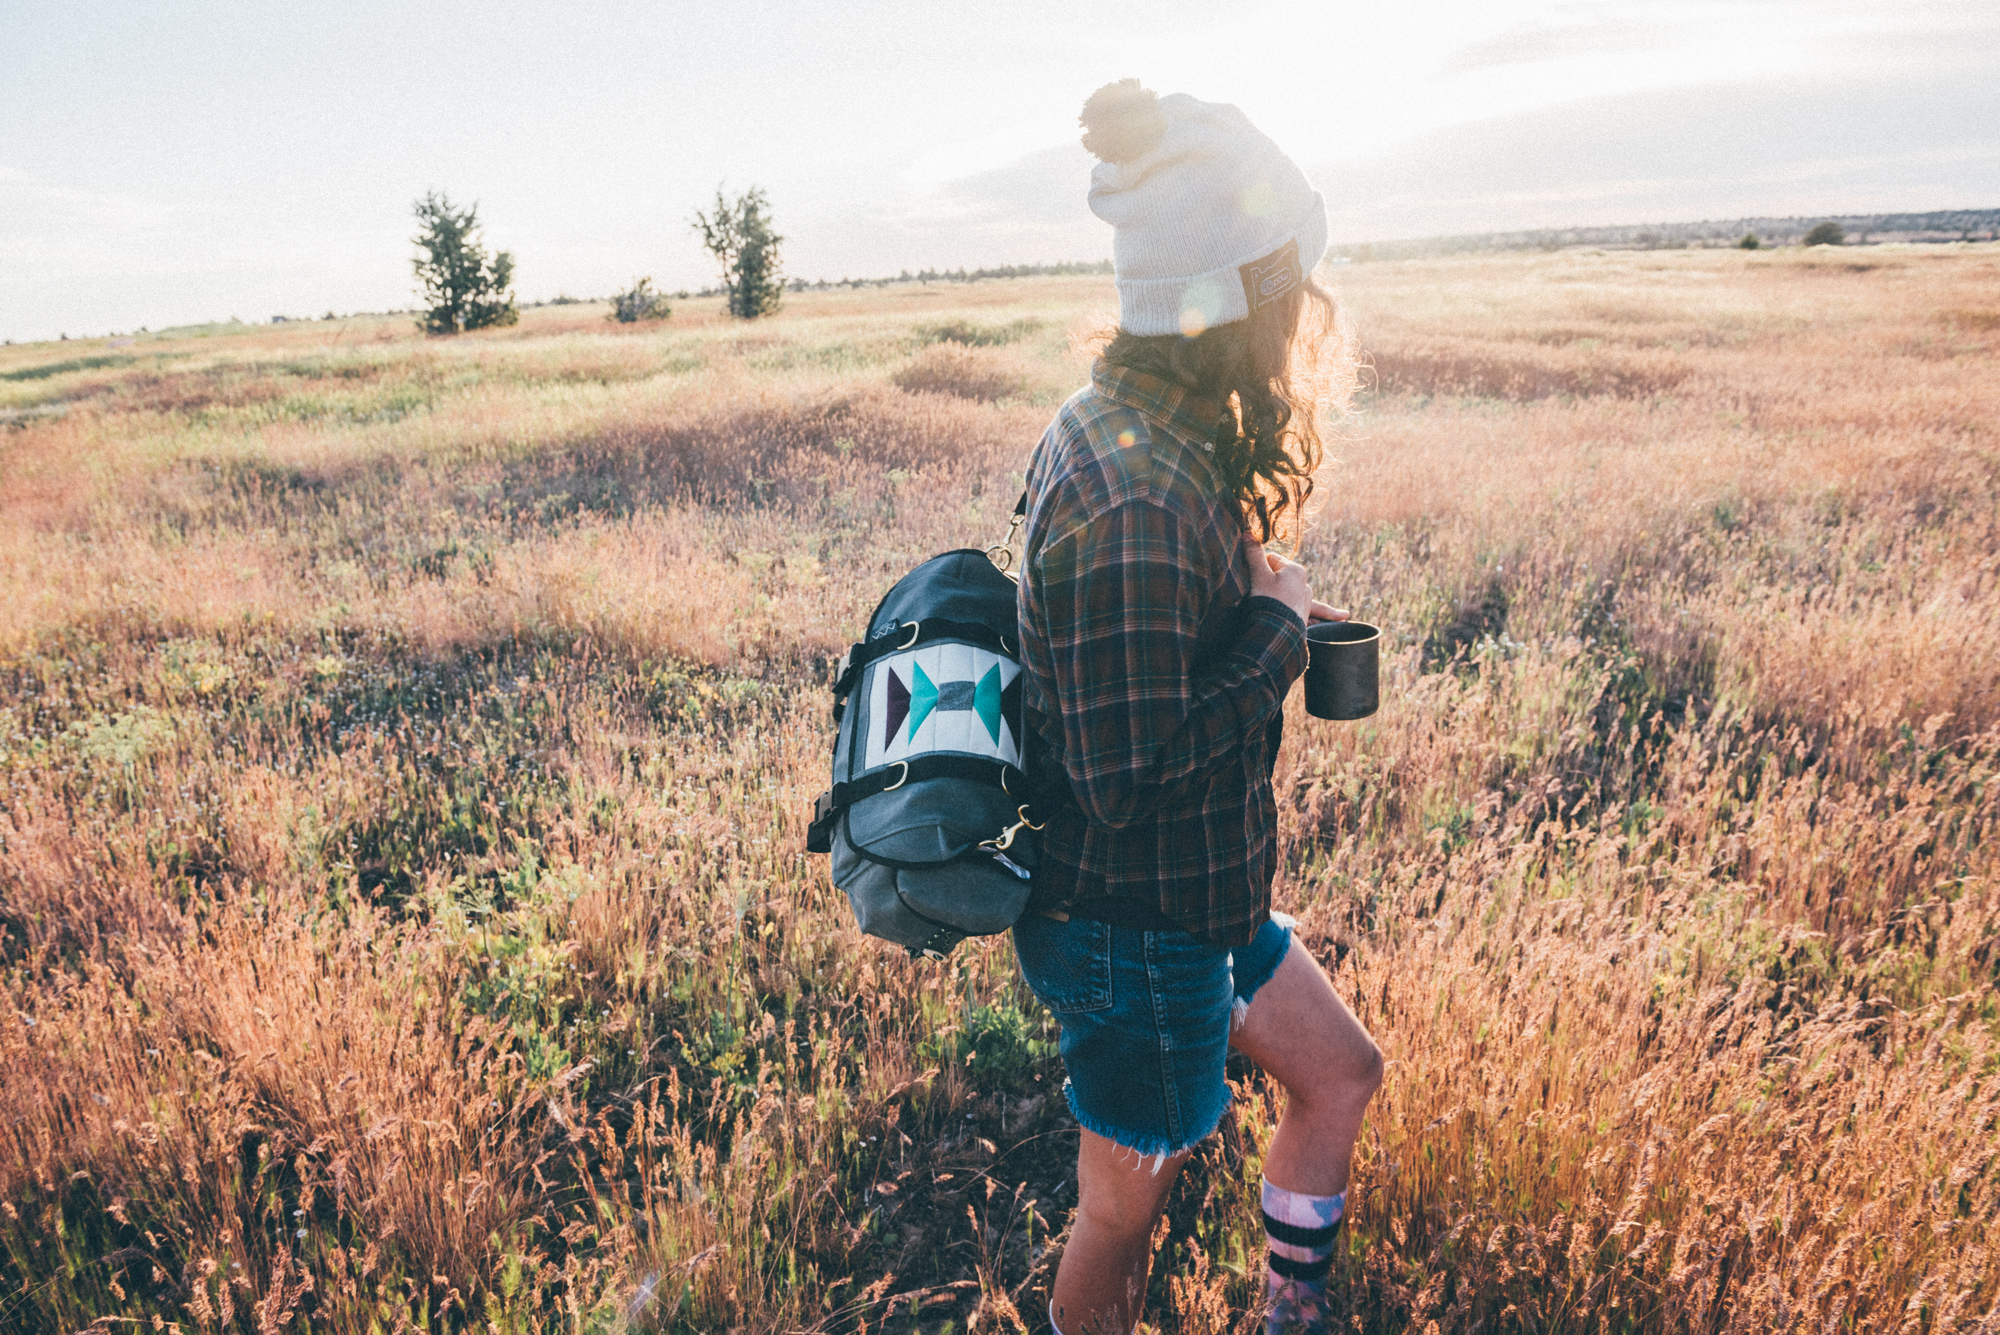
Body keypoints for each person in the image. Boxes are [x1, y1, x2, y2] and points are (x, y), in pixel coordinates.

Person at [1012, 81, 1383, 1335]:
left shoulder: (1161, 433)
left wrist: (1265, 615)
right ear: (1238, 309)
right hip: (1133, 931)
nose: (1302, 329)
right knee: (1117, 1221)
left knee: (1338, 1074)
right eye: (1289, 302)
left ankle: (1291, 1319)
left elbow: (1154, 654)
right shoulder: (1133, 490)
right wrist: (1274, 638)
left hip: (1195, 905)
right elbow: (1126, 774)